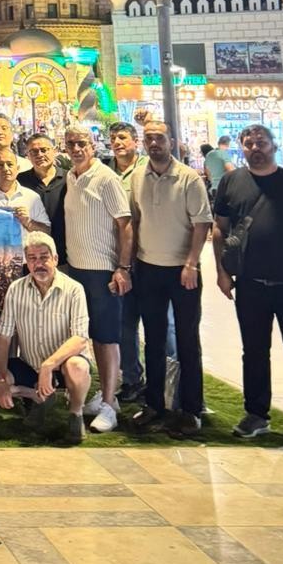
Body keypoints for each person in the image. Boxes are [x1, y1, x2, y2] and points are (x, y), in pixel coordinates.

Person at [212, 121, 283, 444]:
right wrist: (222, 272)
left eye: (261, 142)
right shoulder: (231, 181)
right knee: (254, 351)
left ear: (274, 146)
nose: (255, 148)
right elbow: (219, 228)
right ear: (242, 148)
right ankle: (256, 413)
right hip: (250, 283)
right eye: (249, 143)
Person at [130, 121, 211, 436]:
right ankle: (154, 404)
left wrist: (191, 263)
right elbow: (136, 219)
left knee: (188, 341)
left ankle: (191, 409)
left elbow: (201, 223)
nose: (154, 143)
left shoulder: (189, 178)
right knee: (153, 339)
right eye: (148, 138)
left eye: (159, 138)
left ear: (172, 142)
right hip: (148, 267)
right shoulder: (139, 176)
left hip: (182, 271)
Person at [0, 232, 91, 443]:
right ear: (26, 262)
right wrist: (1, 379)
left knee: (77, 367)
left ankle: (76, 414)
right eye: (32, 258)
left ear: (55, 259)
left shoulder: (74, 289)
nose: (38, 263)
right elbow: (3, 338)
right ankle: (39, 398)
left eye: (44, 257)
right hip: (30, 364)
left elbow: (80, 338)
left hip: (63, 364)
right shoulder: (16, 289)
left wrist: (49, 365)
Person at [61, 125, 133, 433]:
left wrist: (122, 267)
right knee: (89, 337)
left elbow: (125, 225)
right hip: (77, 269)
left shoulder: (106, 178)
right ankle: (105, 394)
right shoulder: (71, 177)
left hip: (103, 270)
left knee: (107, 338)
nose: (77, 149)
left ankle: (109, 404)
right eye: (71, 144)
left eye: (82, 143)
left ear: (92, 145)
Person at [105, 122, 151, 404]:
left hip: (150, 257)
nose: (117, 142)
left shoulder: (148, 169)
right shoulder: (106, 171)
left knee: (162, 324)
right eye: (113, 138)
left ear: (136, 140)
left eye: (123, 137)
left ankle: (169, 382)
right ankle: (132, 379)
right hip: (120, 257)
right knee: (125, 323)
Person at [18, 133, 67, 254]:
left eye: (44, 150)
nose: (39, 154)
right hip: (33, 255)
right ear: (28, 155)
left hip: (66, 252)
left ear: (54, 151)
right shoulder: (19, 181)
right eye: (34, 151)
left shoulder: (69, 179)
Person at [0, 150, 50, 231]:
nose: (5, 169)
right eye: (0, 165)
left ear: (17, 169)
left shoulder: (32, 197)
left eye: (10, 164)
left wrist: (29, 222)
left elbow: (47, 231)